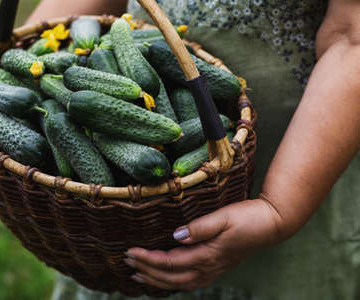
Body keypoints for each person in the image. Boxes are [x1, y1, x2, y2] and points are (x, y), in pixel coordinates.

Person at [26, 0, 360, 299]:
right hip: (122, 192)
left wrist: (278, 209)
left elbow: (352, 36)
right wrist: (19, 64)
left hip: (297, 162)